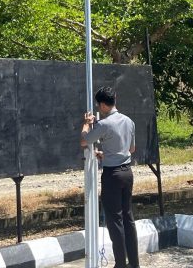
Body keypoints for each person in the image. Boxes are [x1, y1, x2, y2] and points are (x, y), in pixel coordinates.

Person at [81, 86, 138, 268]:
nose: (98, 109)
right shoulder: (129, 121)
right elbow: (131, 150)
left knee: (115, 221)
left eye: (99, 106)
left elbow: (84, 141)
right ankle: (134, 263)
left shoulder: (104, 124)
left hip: (112, 175)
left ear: (104, 105)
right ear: (115, 99)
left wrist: (86, 124)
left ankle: (120, 264)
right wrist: (106, 155)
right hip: (127, 173)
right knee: (128, 218)